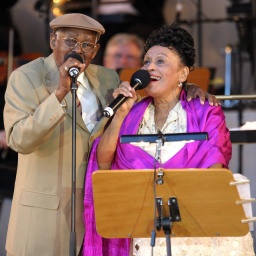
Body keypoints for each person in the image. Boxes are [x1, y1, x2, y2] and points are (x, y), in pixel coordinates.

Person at [4, 12, 219, 256]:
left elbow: (153, 97)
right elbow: (19, 140)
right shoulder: (26, 78)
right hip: (44, 221)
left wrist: (187, 86)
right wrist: (60, 94)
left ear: (95, 50)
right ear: (53, 41)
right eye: (70, 41)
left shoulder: (107, 78)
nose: (78, 49)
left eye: (86, 44)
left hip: (96, 219)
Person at [83, 24, 255, 255]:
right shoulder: (131, 112)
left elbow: (215, 169)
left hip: (195, 234)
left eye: (160, 61)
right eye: (146, 62)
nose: (150, 67)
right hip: (139, 234)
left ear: (183, 74)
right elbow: (103, 164)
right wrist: (120, 113)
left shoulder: (206, 112)